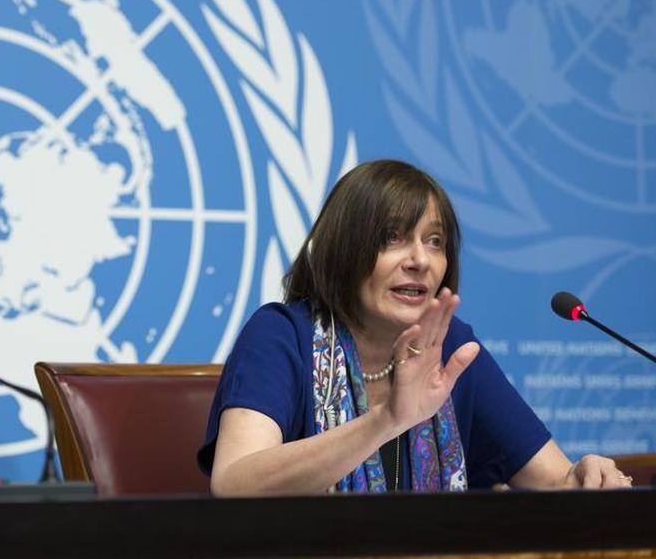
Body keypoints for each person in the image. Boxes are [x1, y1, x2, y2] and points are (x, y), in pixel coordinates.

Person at [200, 159, 633, 494]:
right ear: (343, 248)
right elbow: (236, 480)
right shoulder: (281, 336)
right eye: (392, 238)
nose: (420, 260)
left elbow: (557, 483)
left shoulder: (452, 348)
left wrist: (587, 476)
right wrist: (388, 419)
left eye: (435, 241)